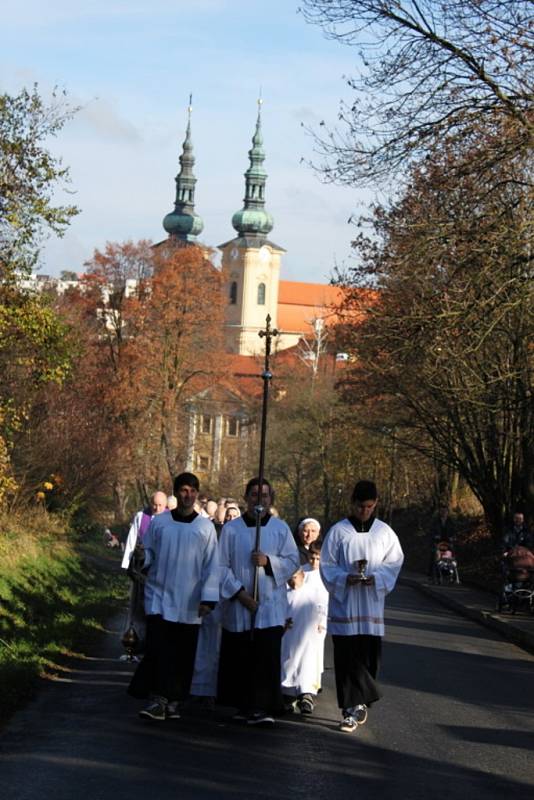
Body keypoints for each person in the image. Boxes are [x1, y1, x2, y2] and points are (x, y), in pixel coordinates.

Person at [127, 472, 219, 721]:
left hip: (190, 602)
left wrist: (209, 599)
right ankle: (158, 698)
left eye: (192, 491)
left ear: (197, 494)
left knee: (182, 654)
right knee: (159, 649)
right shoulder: (160, 523)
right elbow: (149, 554)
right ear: (176, 493)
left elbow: (212, 566)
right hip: (161, 595)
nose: (188, 495)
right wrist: (141, 556)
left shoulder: (205, 527)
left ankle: (174, 701)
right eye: (183, 490)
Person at [320, 480, 403, 733]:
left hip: (371, 605)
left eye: (369, 506)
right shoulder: (339, 531)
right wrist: (345, 578)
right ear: (352, 503)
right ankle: (349, 710)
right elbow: (327, 564)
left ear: (375, 503)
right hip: (345, 605)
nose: (364, 511)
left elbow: (395, 561)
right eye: (360, 506)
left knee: (368, 658)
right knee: (346, 658)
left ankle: (363, 699)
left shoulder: (384, 532)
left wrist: (377, 578)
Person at [217, 477, 299, 726]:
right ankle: (243, 705)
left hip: (270, 607)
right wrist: (241, 594)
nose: (259, 500)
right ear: (245, 498)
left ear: (270, 499)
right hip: (240, 605)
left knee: (265, 658)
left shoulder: (280, 529)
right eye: (254, 495)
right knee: (240, 656)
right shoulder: (232, 530)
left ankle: (263, 706)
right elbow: (220, 567)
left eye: (264, 496)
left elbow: (293, 560)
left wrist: (268, 562)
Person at [281, 542, 329, 715]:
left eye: (318, 558)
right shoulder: (301, 571)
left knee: (310, 658)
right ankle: (288, 694)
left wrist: (321, 622)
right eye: (312, 558)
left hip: (313, 623)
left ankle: (307, 692)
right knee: (290, 656)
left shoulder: (327, 573)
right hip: (293, 622)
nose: (314, 562)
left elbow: (324, 601)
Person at [121, 491, 168, 652]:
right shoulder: (141, 516)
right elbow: (132, 539)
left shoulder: (171, 519)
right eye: (154, 504)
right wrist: (127, 564)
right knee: (139, 606)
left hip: (161, 570)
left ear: (166, 505)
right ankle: (137, 640)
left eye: (160, 505)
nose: (156, 508)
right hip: (141, 569)